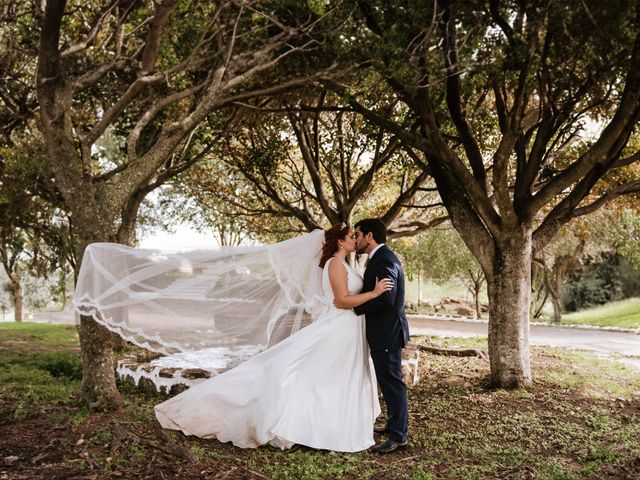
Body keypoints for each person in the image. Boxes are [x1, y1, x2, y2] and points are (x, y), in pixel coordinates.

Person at [153, 224, 393, 452]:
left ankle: (333, 427)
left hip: (349, 330)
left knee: (331, 378)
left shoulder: (343, 264)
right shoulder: (335, 265)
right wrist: (373, 293)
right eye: (351, 235)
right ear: (340, 241)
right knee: (316, 375)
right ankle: (301, 425)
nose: (355, 239)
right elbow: (342, 301)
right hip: (339, 327)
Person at [353, 218, 410, 453]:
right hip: (384, 332)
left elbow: (386, 298)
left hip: (388, 333)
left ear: (369, 236)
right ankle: (393, 425)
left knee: (393, 383)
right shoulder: (379, 258)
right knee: (387, 381)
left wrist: (356, 307)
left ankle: (399, 436)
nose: (355, 239)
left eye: (357, 234)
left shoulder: (384, 260)